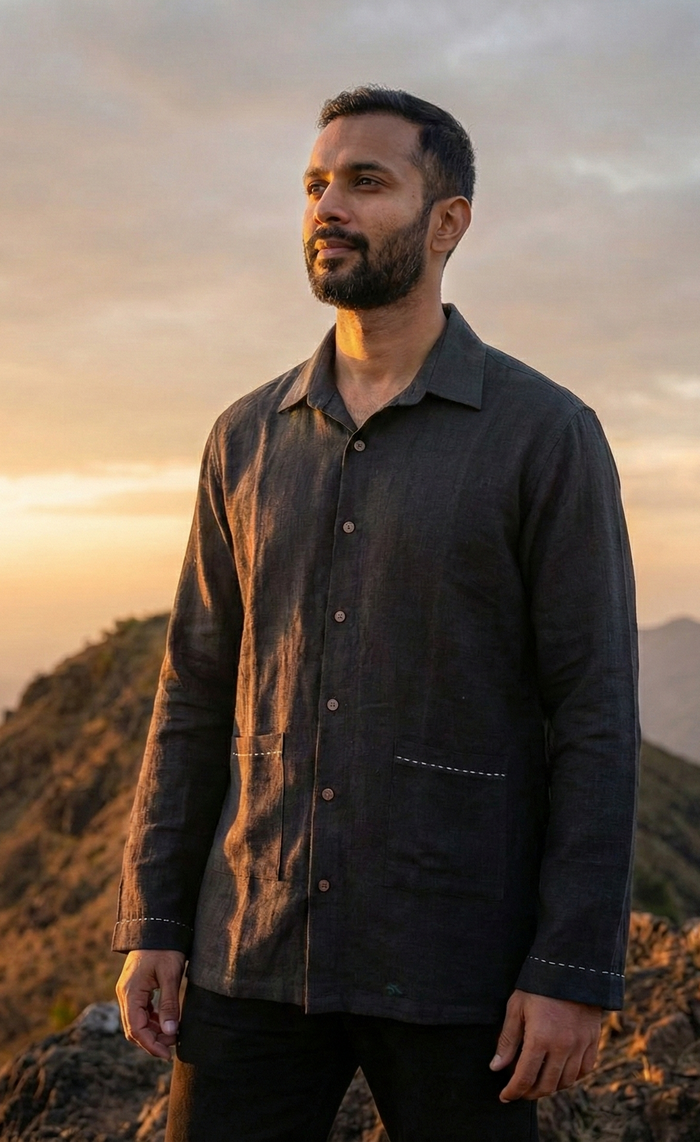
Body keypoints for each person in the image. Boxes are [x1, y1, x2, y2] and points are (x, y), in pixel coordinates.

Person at [114, 86, 639, 1142]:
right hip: (249, 952)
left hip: (458, 966)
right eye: (314, 183)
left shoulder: (544, 434)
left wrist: (571, 966)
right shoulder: (244, 437)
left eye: (364, 181)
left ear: (447, 222)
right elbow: (193, 689)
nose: (327, 207)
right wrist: (154, 919)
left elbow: (591, 709)